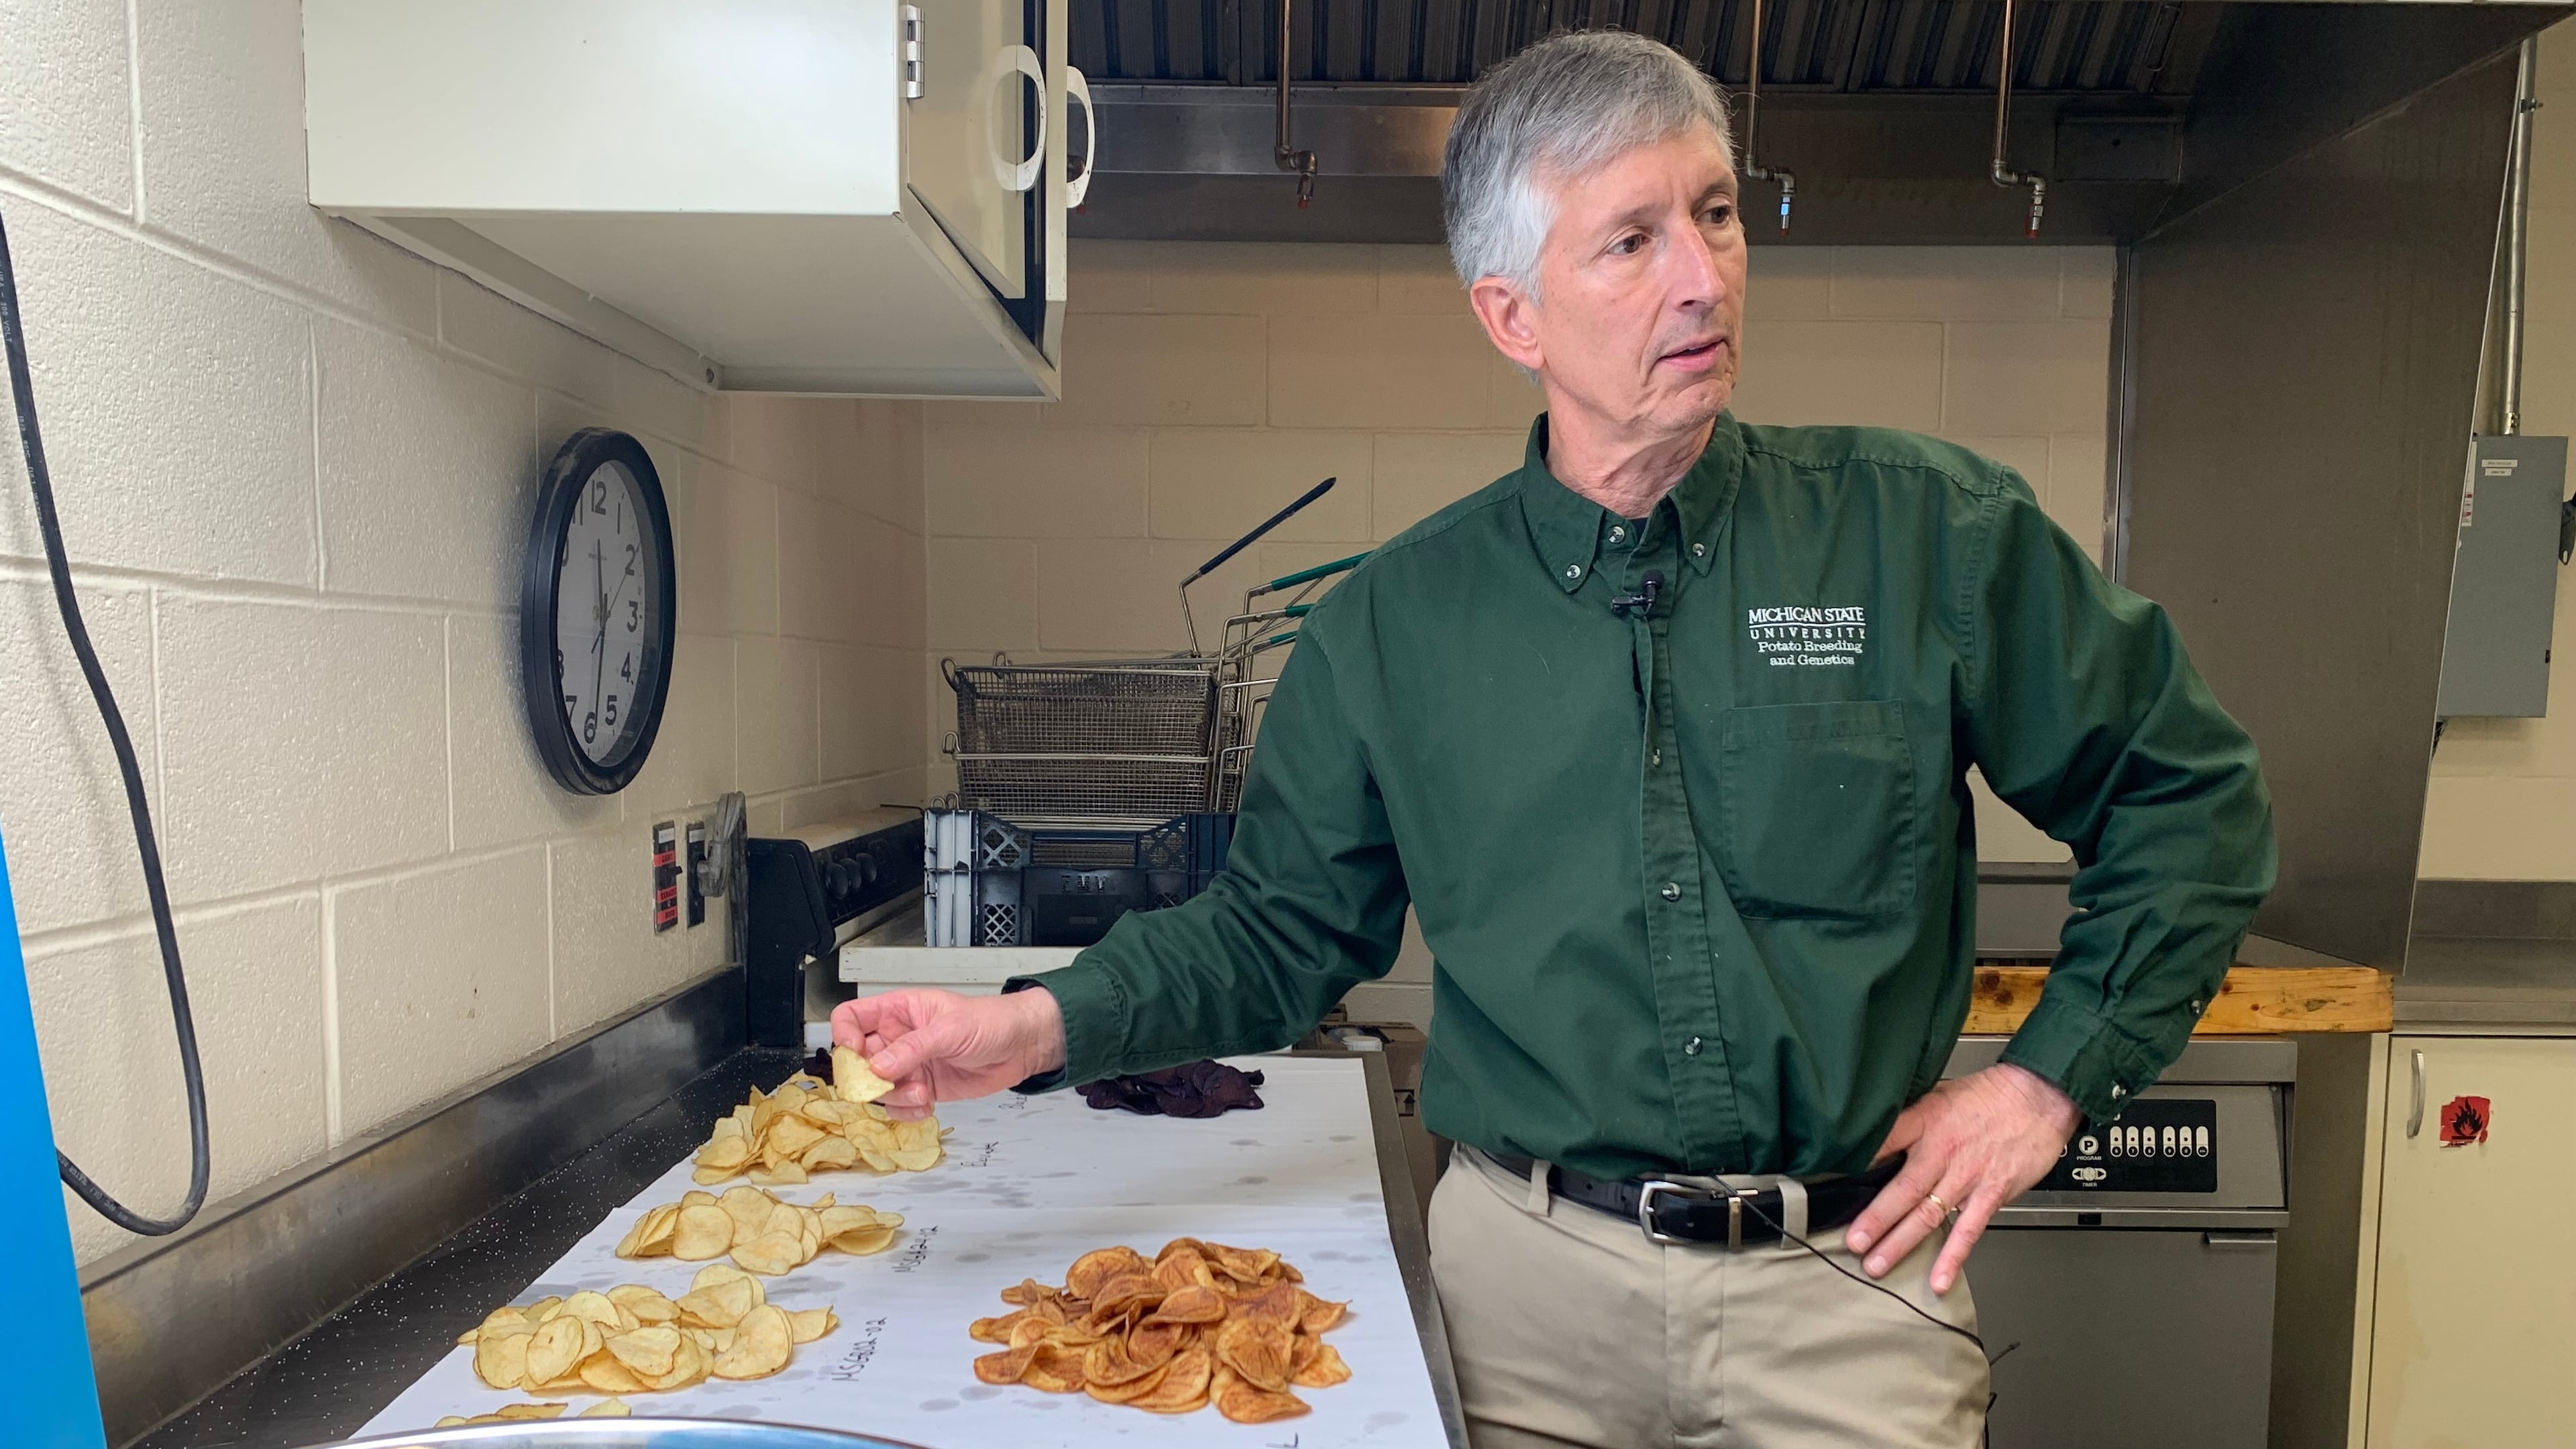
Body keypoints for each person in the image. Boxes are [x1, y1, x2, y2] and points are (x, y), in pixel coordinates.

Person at [837, 28, 2274, 1449]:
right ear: (1514, 316)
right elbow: (1275, 936)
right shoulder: (1393, 627)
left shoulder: (1927, 535)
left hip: (1848, 1298)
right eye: (1632, 241)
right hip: (1522, 1298)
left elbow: (2188, 802)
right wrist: (1026, 1028)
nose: (1705, 277)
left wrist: (2048, 1079)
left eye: (1716, 214)